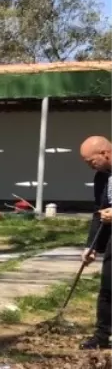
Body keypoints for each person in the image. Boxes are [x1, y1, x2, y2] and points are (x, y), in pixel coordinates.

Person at [79, 136, 112, 350]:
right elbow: (98, 212)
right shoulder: (101, 177)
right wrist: (91, 247)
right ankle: (101, 336)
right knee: (108, 283)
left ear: (105, 153)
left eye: (92, 162)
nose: (91, 167)